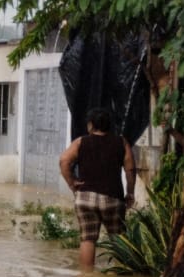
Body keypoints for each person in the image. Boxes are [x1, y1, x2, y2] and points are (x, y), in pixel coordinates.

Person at [58, 106, 137, 268]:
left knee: (88, 239)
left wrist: (72, 183)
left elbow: (64, 161)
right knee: (118, 238)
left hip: (85, 198)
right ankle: (121, 275)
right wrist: (130, 192)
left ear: (91, 125)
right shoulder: (121, 142)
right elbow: (130, 169)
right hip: (112, 198)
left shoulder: (81, 142)